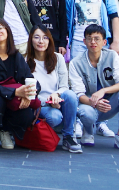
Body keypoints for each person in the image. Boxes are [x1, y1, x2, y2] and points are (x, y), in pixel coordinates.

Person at [65, 0, 119, 139]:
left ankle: (100, 122)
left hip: (100, 42)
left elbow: (114, 17)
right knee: (77, 82)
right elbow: (68, 20)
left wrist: (115, 42)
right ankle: (79, 120)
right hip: (78, 42)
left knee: (100, 81)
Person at [70, 24, 119, 153]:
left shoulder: (112, 56)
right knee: (86, 112)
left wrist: (103, 91)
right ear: (84, 41)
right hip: (88, 105)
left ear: (104, 42)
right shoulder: (76, 63)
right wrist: (94, 102)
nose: (93, 42)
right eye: (89, 38)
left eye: (97, 39)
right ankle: (88, 132)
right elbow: (78, 93)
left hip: (108, 104)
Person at [0, 18, 40, 152]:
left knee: (27, 114)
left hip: (12, 103)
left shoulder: (16, 56)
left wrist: (28, 94)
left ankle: (5, 131)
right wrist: (15, 92)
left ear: (7, 31)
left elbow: (31, 80)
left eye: (0, 28)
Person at [26, 25, 81, 153]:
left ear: (50, 40)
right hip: (39, 104)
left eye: (45, 37)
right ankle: (47, 133)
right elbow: (28, 93)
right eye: (37, 37)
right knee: (54, 117)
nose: (41, 41)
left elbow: (64, 86)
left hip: (57, 99)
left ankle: (68, 136)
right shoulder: (25, 60)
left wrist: (56, 95)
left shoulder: (58, 58)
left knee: (70, 95)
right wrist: (48, 101)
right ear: (31, 40)